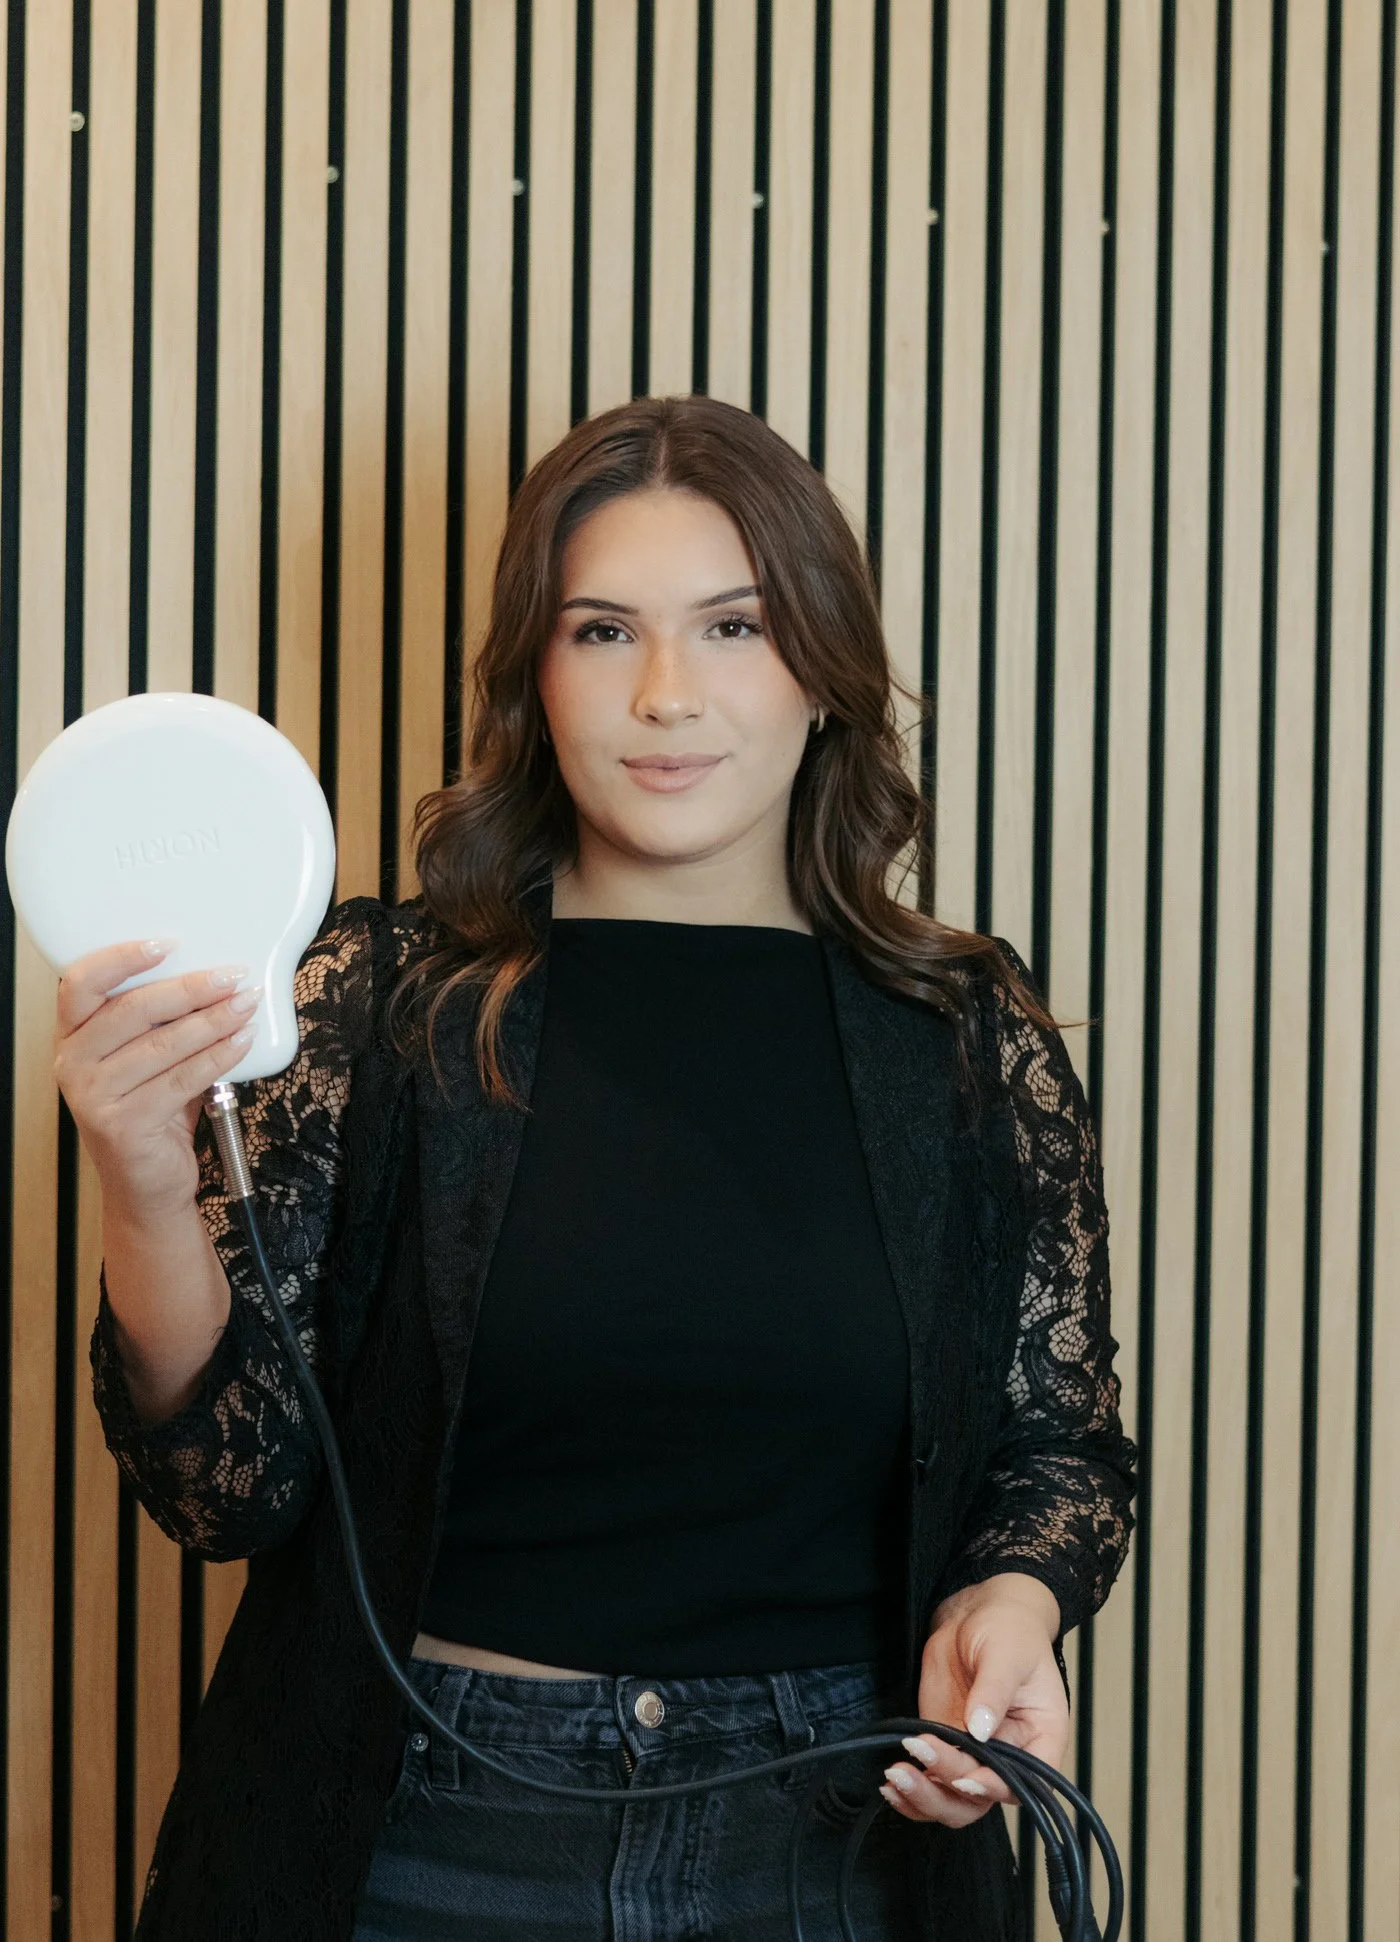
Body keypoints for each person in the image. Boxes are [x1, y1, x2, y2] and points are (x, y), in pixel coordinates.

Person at [56, 396, 1137, 1941]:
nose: (668, 693)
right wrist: (143, 1178)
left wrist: (1010, 1610)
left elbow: (1060, 1451)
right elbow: (227, 1484)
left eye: (734, 626)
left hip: (837, 1847)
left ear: (824, 673)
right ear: (535, 678)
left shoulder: (962, 1036)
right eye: (604, 631)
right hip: (421, 1841)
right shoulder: (369, 998)